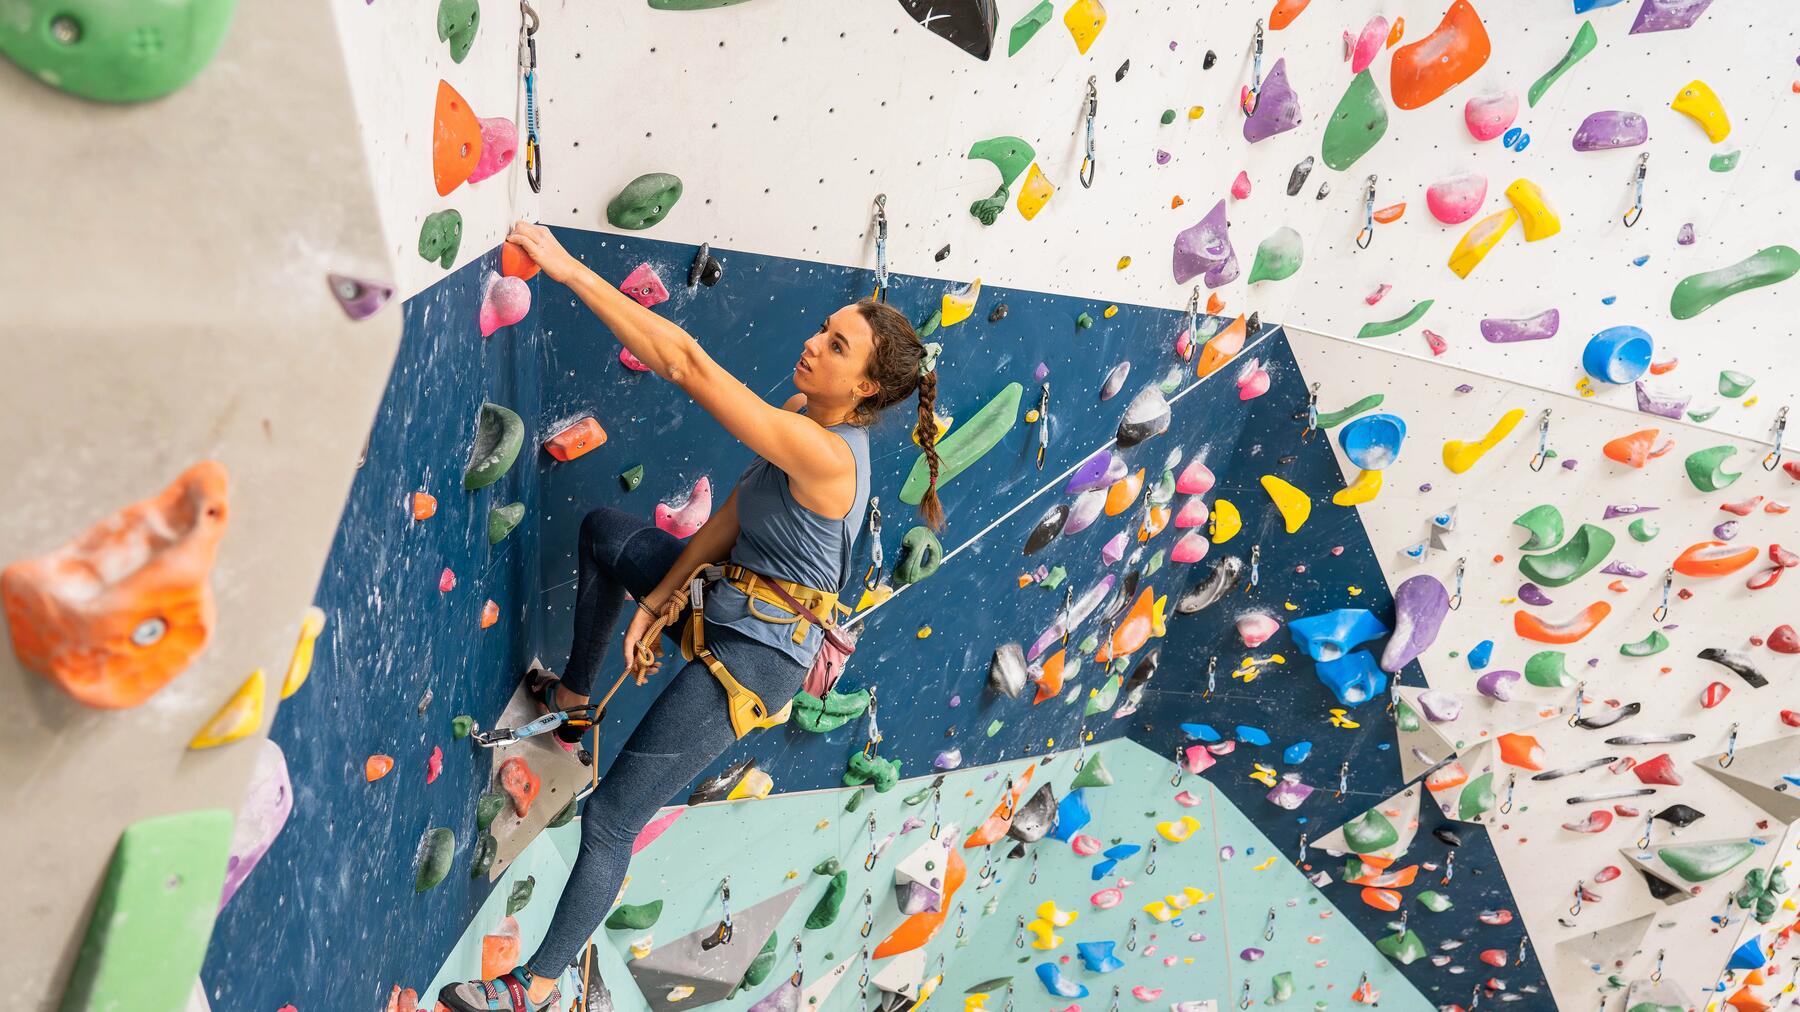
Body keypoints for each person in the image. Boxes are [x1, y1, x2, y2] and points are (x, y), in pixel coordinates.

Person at [439, 221, 945, 1012]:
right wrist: (666, 594)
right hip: (730, 601)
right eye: (824, 329)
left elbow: (683, 362)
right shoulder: (803, 418)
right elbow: (739, 508)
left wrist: (568, 267)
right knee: (607, 535)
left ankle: (535, 986)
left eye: (838, 347)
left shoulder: (829, 455)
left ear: (866, 392)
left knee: (609, 820)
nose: (815, 344)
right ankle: (572, 708)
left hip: (758, 659)